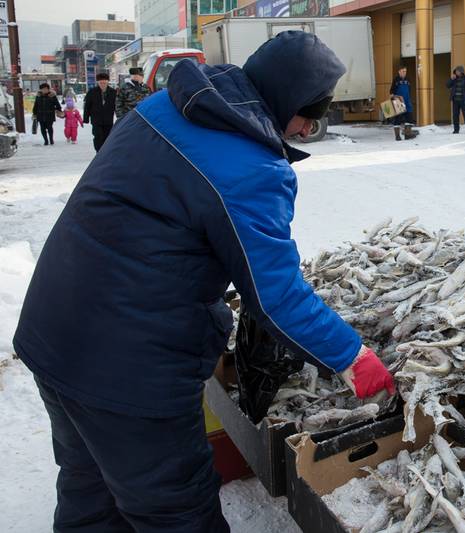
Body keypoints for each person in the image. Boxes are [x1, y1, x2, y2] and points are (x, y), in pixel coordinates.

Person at [14, 31, 395, 532]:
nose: (309, 127)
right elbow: (276, 296)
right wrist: (353, 357)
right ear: (283, 96)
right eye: (311, 110)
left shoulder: (161, 108)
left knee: (90, 489)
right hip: (129, 371)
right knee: (177, 510)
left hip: (53, 333)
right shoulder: (250, 169)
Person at [84, 72, 117, 151]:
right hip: (96, 119)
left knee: (107, 137)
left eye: (104, 82)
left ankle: (105, 152)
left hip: (108, 119)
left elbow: (117, 105)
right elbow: (87, 106)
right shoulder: (92, 92)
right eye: (101, 82)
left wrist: (119, 116)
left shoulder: (113, 92)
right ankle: (98, 152)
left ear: (108, 82)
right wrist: (86, 118)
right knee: (98, 136)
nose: (103, 84)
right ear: (98, 82)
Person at [389, 66, 416, 141]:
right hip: (399, 101)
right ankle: (397, 136)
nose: (404, 73)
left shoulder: (408, 80)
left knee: (409, 118)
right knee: (398, 119)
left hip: (407, 101)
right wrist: (397, 98)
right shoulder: (396, 80)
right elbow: (391, 93)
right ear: (399, 71)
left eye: (405, 71)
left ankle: (407, 134)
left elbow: (409, 90)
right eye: (403, 71)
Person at [447, 66, 465, 134]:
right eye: (456, 71)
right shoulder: (454, 79)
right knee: (455, 116)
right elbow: (447, 85)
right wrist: (451, 79)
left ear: (461, 72)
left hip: (464, 100)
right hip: (455, 100)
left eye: (458, 71)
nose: (456, 72)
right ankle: (456, 130)